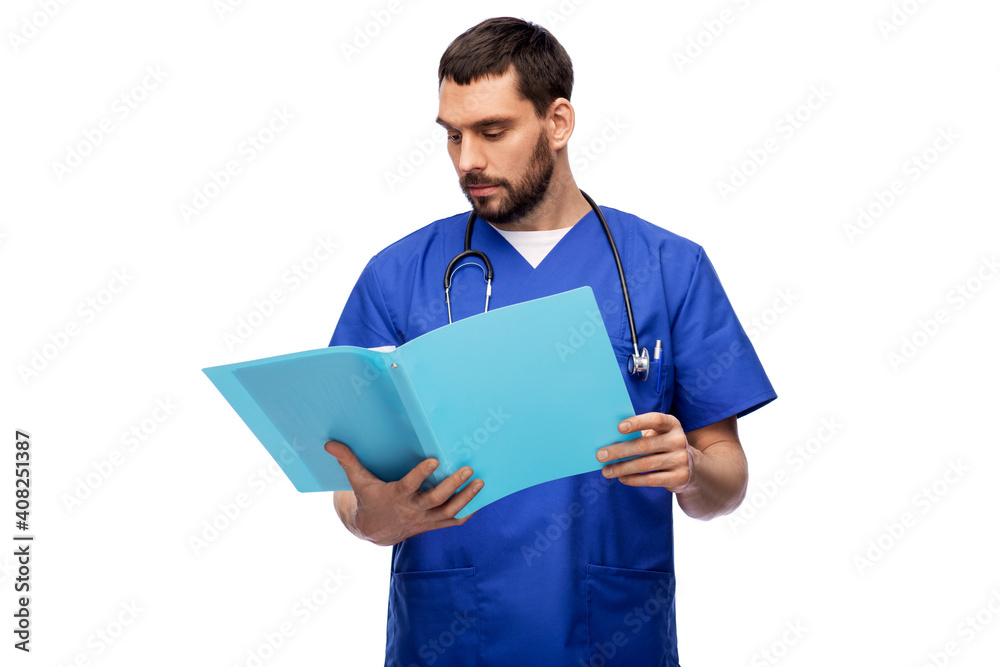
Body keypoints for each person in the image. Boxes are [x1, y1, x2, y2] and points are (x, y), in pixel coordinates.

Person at [324, 16, 776, 666]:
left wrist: (692, 471)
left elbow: (726, 478)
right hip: (449, 639)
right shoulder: (399, 276)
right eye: (453, 135)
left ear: (558, 122)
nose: (467, 160)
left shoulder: (668, 267)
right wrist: (374, 518)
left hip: (612, 637)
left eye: (492, 131)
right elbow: (350, 488)